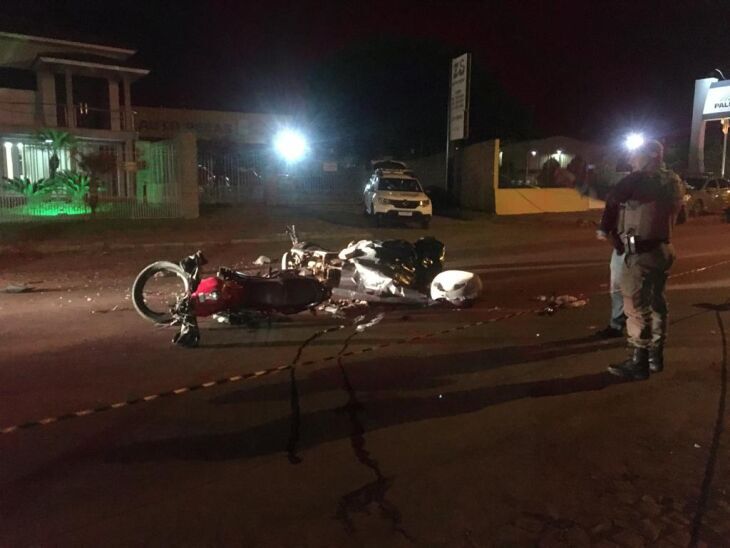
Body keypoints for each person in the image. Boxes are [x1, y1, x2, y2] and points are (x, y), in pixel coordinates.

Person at [599, 139, 685, 380]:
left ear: (651, 156)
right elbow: (682, 217)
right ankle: (655, 357)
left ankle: (639, 364)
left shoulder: (641, 179)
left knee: (636, 309)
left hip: (642, 254)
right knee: (657, 303)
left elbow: (610, 193)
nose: (631, 160)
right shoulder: (674, 181)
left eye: (636, 155)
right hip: (664, 249)